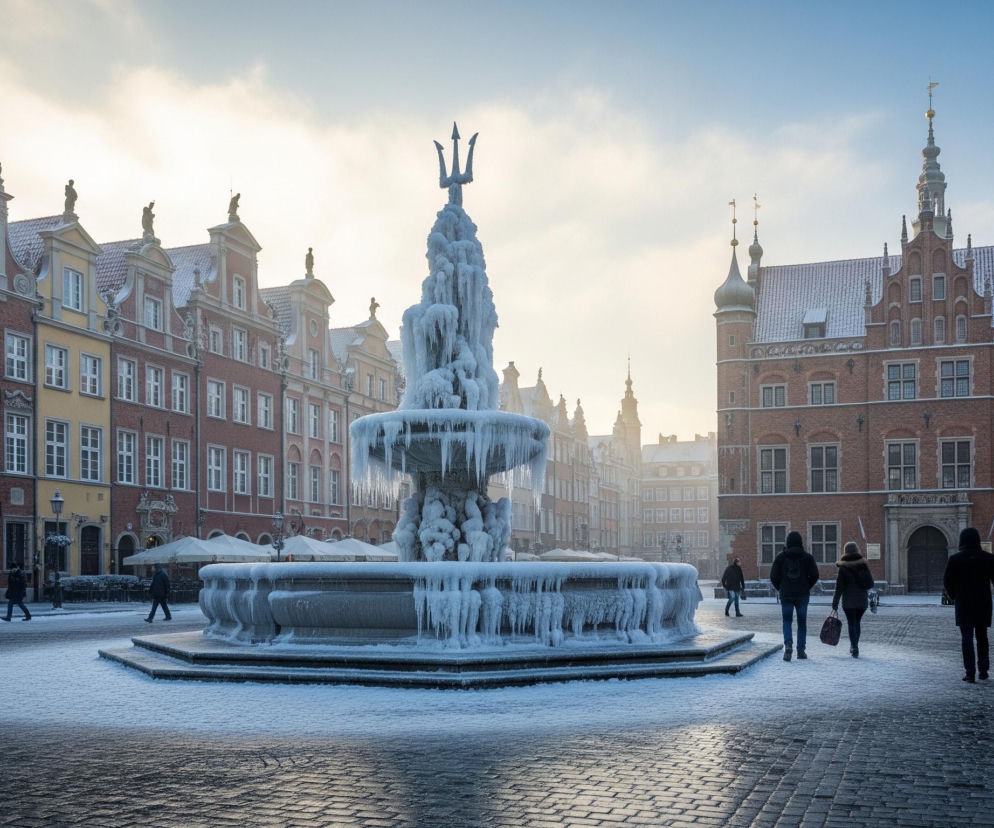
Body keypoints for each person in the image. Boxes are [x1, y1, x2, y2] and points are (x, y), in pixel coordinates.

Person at [943, 527, 994, 683]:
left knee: (966, 638)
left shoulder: (955, 559)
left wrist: (954, 596)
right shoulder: (989, 558)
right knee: (982, 637)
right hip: (983, 602)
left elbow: (947, 581)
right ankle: (984, 670)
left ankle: (970, 673)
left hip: (964, 603)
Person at [770, 530, 819, 661]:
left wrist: (780, 588)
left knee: (787, 621)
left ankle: (788, 646)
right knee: (802, 622)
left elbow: (773, 576)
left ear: (788, 542)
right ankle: (801, 650)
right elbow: (815, 575)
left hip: (786, 594)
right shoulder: (808, 557)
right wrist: (807, 586)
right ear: (800, 542)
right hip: (802, 594)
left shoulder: (781, 557)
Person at [831, 541, 874, 658]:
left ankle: (854, 647)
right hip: (861, 600)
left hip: (848, 601)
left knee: (851, 623)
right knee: (857, 623)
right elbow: (871, 583)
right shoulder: (863, 565)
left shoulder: (843, 567)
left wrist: (835, 602)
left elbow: (839, 587)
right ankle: (855, 646)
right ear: (856, 550)